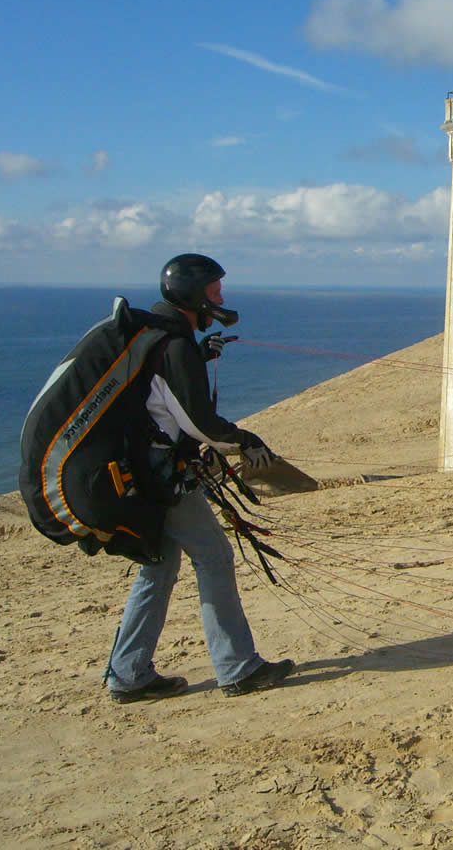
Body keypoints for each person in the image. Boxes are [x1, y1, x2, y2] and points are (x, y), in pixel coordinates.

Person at [104, 253, 295, 703]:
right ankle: (238, 668)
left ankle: (128, 674)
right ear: (193, 296)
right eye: (214, 291)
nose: (221, 300)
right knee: (214, 556)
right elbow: (199, 423)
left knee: (159, 566)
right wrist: (243, 439)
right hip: (163, 478)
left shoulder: (161, 335)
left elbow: (160, 394)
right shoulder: (174, 345)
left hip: (139, 474)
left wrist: (198, 356)